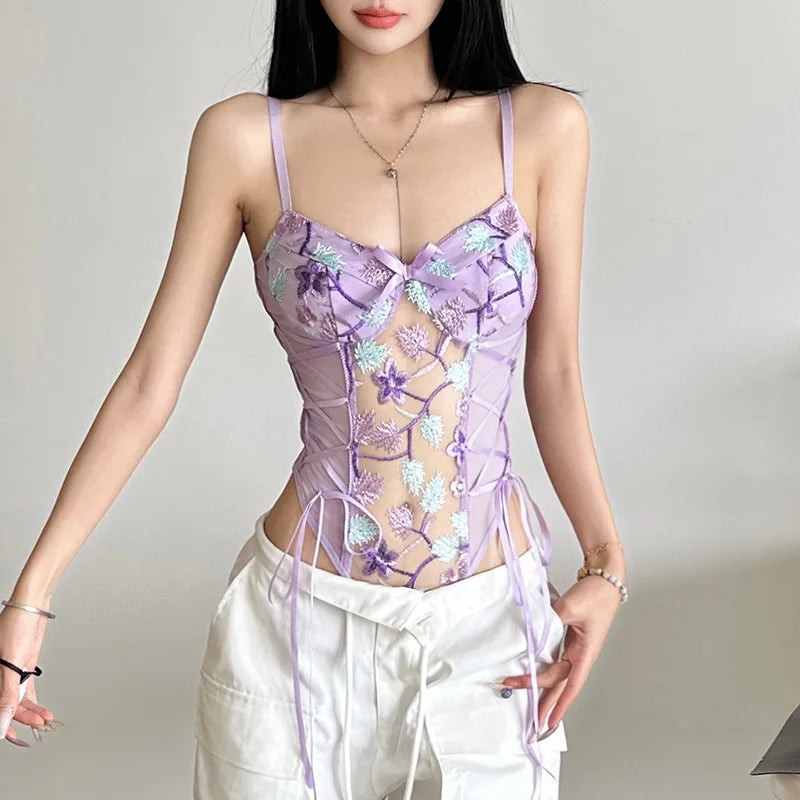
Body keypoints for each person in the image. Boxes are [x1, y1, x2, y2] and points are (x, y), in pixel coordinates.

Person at [0, 1, 628, 798]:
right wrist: (29, 601)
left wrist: (606, 563)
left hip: (491, 633)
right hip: (296, 632)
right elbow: (151, 380)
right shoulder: (245, 139)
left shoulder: (541, 128)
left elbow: (556, 372)